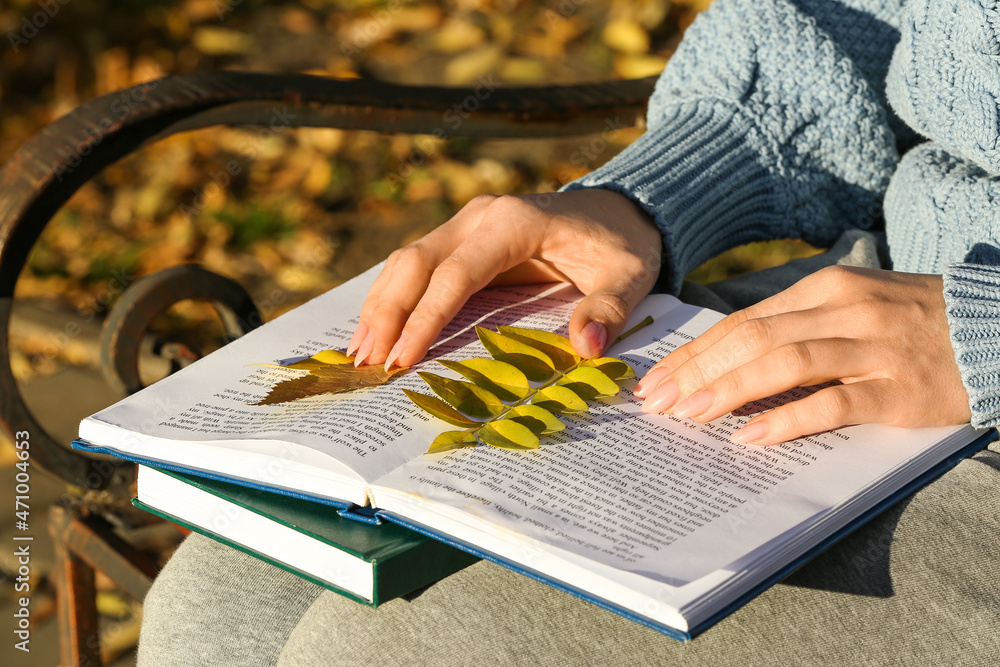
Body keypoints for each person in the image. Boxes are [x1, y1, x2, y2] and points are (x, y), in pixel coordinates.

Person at [139, 1, 1000, 664]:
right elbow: (861, 19)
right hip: (884, 293)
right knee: (223, 606)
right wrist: (646, 198)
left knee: (392, 649)